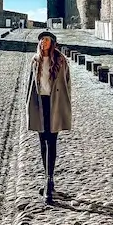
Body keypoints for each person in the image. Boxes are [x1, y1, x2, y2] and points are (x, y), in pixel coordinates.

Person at [25, 31, 72, 204]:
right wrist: (28, 106)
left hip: (55, 104)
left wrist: (66, 105)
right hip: (40, 103)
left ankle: (49, 180)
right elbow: (30, 85)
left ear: (52, 43)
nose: (44, 43)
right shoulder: (35, 61)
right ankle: (47, 177)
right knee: (42, 142)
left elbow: (67, 84)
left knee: (52, 141)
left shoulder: (60, 60)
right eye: (42, 40)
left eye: (47, 40)